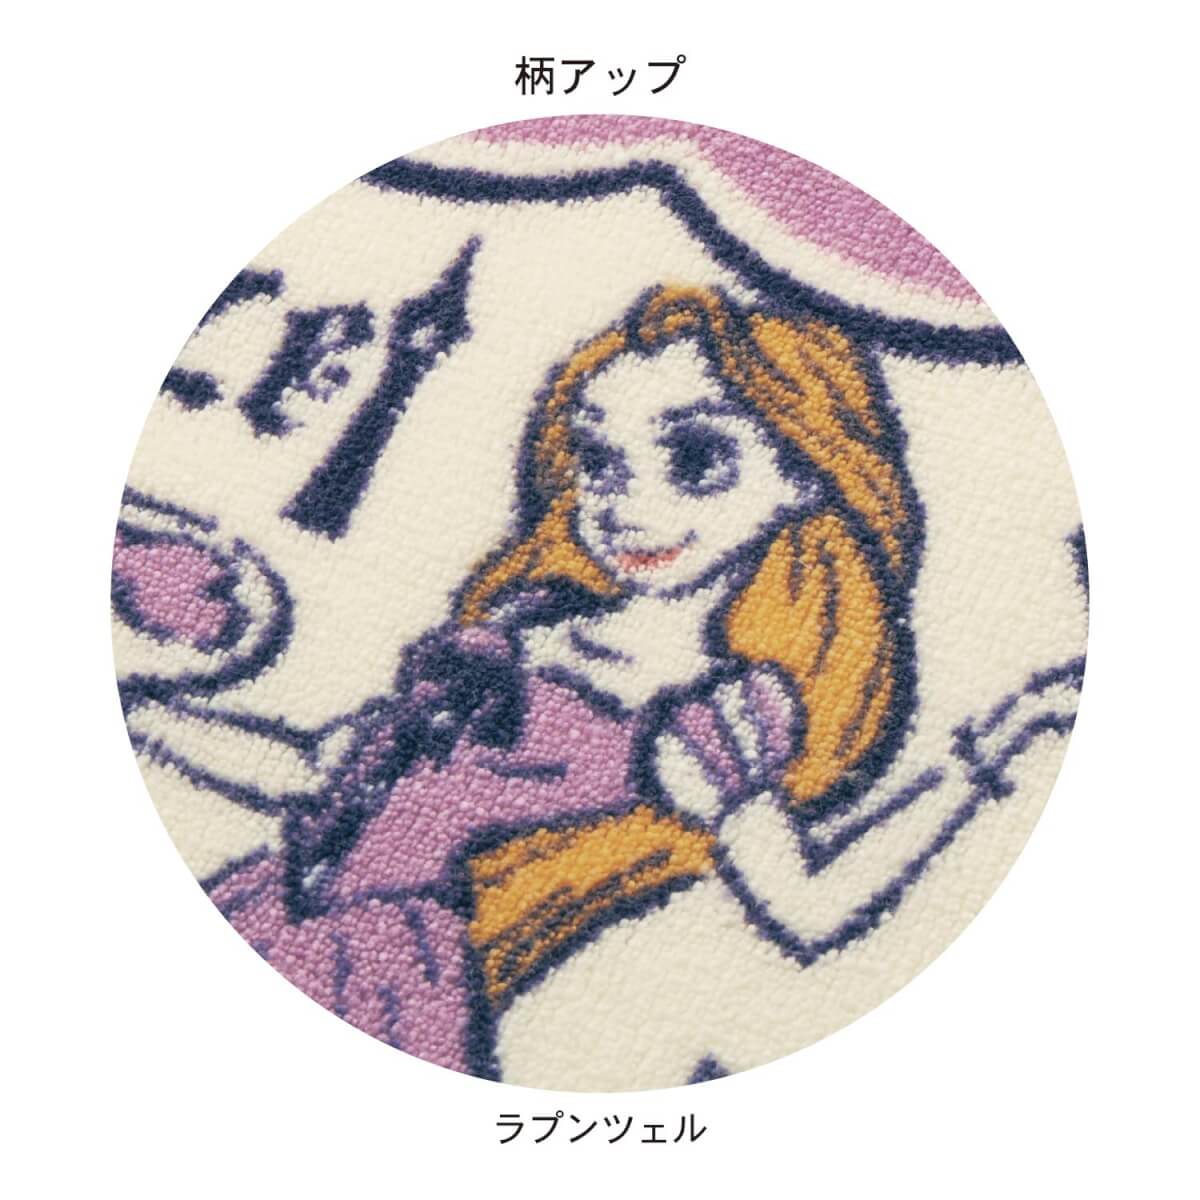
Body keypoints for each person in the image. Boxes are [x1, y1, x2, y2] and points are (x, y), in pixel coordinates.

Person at [123, 283, 956, 1079]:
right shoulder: (527, 620)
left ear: (804, 477)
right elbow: (322, 768)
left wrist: (976, 772)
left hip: (381, 978)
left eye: (696, 458)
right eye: (599, 458)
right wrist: (146, 713)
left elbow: (805, 908)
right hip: (267, 909)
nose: (624, 503)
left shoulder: (721, 717)